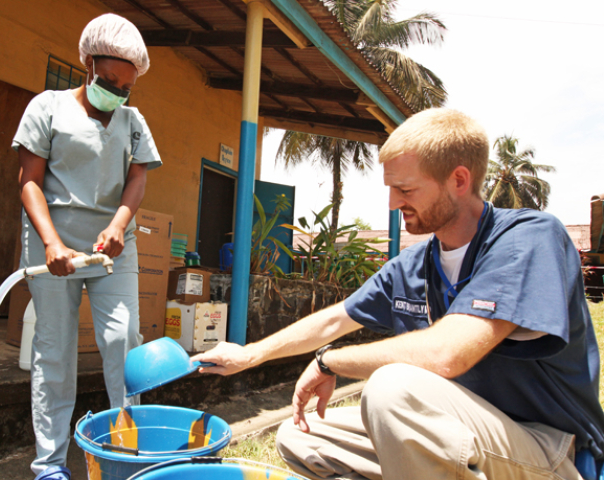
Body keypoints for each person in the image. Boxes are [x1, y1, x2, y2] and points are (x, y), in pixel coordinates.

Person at [194, 108, 604, 480]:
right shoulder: (416, 264)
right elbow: (336, 318)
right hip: (462, 434)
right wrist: (251, 355)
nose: (393, 204)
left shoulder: (528, 238)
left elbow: (448, 354)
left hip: (546, 448)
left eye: (405, 190)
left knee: (391, 389)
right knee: (301, 436)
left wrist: (330, 362)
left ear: (459, 180)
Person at [11, 13, 161, 480]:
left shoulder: (133, 122)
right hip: (52, 246)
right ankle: (50, 464)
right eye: (107, 81)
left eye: (125, 87)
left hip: (114, 248)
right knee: (54, 351)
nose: (115, 94)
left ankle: (126, 453)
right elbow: (28, 182)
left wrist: (119, 225)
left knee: (123, 343)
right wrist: (52, 243)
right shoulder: (47, 107)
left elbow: (137, 178)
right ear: (87, 63)